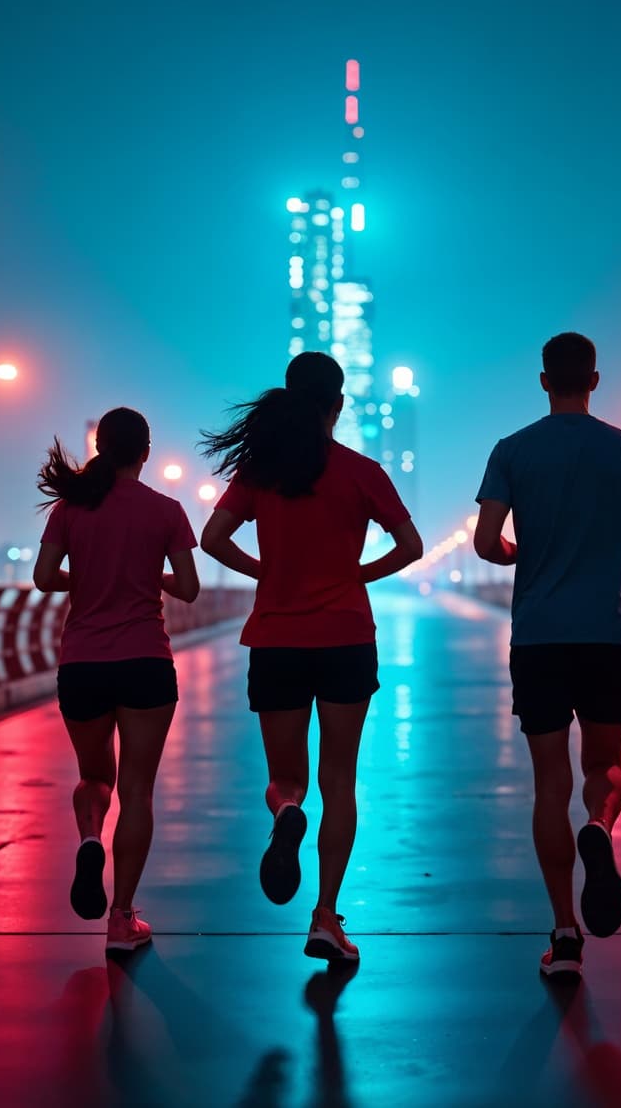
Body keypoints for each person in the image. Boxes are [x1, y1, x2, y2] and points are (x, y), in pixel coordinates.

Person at [472, 331, 621, 978]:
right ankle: (601, 822)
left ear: (543, 381)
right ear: (596, 380)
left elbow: (487, 541)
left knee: (548, 783)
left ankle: (565, 934)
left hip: (537, 635)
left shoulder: (512, 450)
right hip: (604, 634)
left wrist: (518, 553)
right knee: (606, 766)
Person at [199, 352, 423, 964]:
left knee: (286, 779)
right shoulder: (361, 471)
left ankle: (288, 813)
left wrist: (263, 571)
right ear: (338, 405)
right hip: (347, 634)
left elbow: (211, 539)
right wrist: (359, 575)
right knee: (341, 781)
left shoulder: (259, 471)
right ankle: (325, 916)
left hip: (277, 638)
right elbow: (411, 545)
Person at [31, 408, 201, 955]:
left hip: (82, 662)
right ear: (145, 453)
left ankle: (88, 839)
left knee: (94, 776)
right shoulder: (167, 510)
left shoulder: (68, 509)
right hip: (145, 660)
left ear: (100, 448)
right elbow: (191, 589)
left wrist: (87, 576)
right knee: (137, 790)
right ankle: (122, 919)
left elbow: (41, 578)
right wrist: (146, 573)